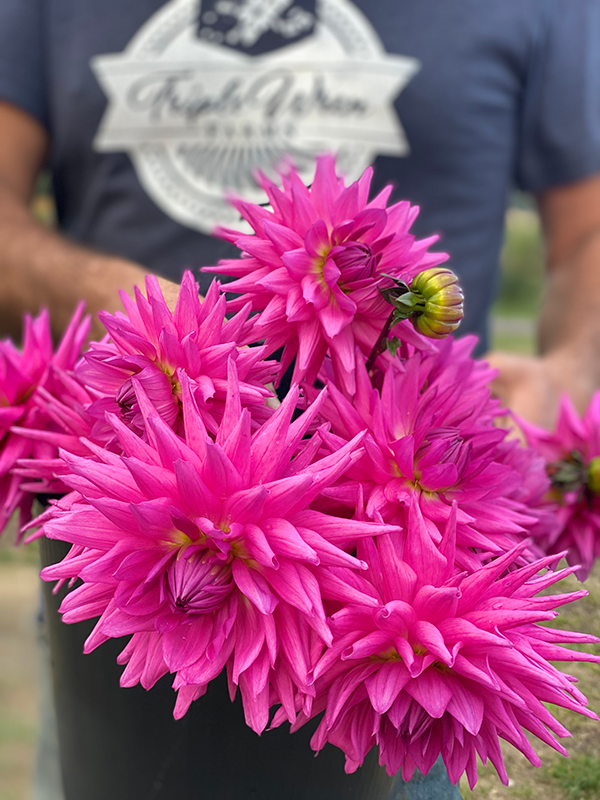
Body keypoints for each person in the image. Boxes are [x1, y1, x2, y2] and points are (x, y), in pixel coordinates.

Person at [1, 1, 600, 798]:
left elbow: (589, 224)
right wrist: (117, 301)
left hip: (436, 495)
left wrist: (572, 363)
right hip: (102, 593)